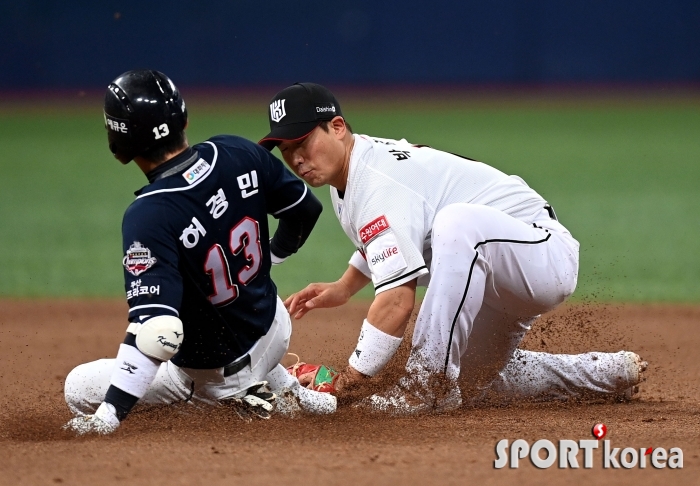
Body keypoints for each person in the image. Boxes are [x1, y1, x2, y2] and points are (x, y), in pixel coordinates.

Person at [258, 82, 648, 414]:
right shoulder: (353, 174)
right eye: (286, 150)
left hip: (540, 253)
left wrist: (349, 383)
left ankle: (426, 381)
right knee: (472, 382)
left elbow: (397, 301)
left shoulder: (375, 180)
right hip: (489, 282)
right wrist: (344, 286)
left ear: (337, 127)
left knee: (456, 222)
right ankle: (607, 374)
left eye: (303, 142)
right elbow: (396, 232)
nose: (296, 159)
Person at [63, 71, 335, 436]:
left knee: (79, 387)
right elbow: (305, 210)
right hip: (276, 329)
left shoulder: (149, 214)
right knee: (227, 308)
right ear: (184, 119)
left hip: (218, 377)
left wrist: (108, 416)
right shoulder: (236, 150)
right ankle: (288, 391)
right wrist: (271, 259)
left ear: (120, 146)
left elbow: (159, 330)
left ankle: (247, 401)